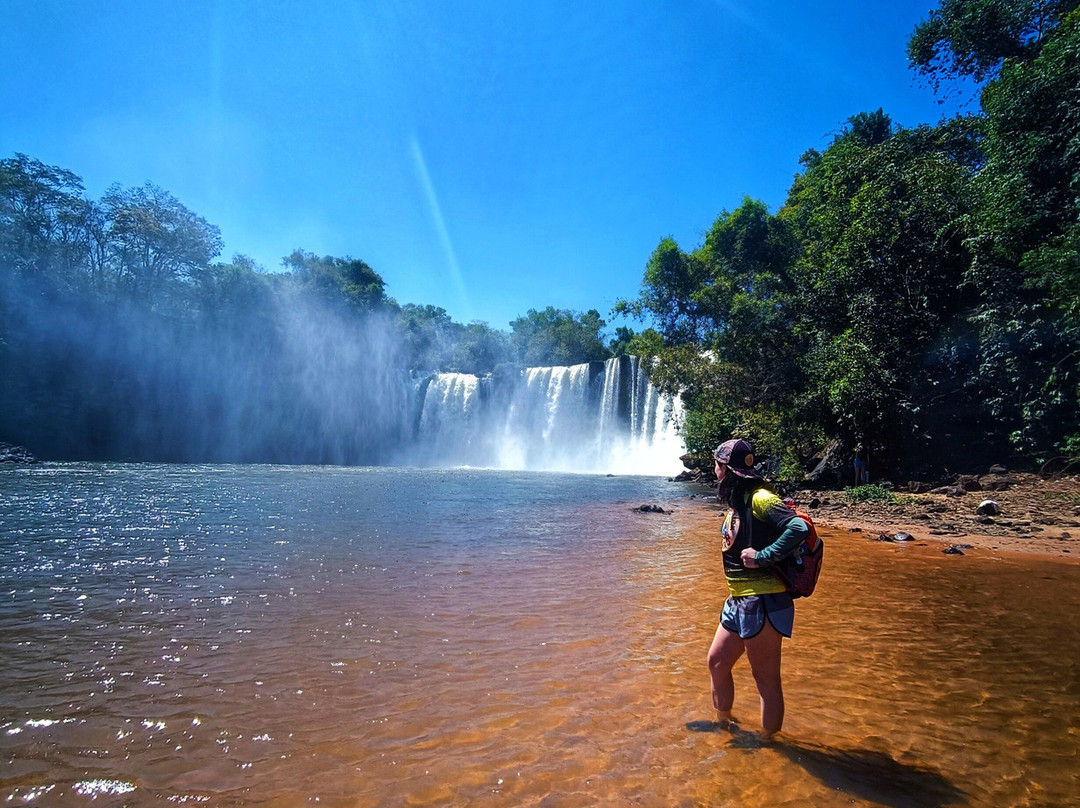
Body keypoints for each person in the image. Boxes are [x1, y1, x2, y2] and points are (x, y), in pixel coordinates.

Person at [707, 438, 809, 740]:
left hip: (763, 600)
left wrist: (762, 557)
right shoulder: (738, 502)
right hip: (738, 599)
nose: (714, 469)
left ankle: (769, 749)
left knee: (765, 679)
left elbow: (799, 528)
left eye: (716, 464)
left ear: (725, 469)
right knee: (716, 663)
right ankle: (724, 728)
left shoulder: (761, 498)